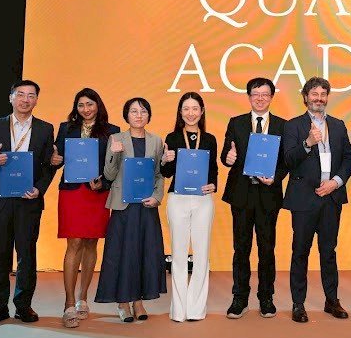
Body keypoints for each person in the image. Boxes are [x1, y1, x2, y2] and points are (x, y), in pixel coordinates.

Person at [282, 77, 351, 323]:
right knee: (300, 252)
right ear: (305, 97)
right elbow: (288, 159)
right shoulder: (293, 126)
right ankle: (298, 304)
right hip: (304, 198)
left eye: (323, 94)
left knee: (328, 252)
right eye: (314, 94)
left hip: (331, 197)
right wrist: (308, 143)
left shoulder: (338, 125)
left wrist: (336, 182)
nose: (319, 99)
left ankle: (332, 300)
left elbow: (348, 159)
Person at [50, 88, 119, 328]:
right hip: (72, 193)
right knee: (74, 242)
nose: (86, 109)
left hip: (97, 194)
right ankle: (69, 304)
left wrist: (104, 183)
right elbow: (56, 159)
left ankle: (83, 298)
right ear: (76, 107)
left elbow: (115, 165)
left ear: (98, 105)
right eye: (81, 105)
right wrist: (54, 160)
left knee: (91, 242)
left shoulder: (112, 131)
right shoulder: (65, 128)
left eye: (90, 104)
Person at [95, 97, 166, 322]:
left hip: (146, 206)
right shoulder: (116, 138)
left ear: (149, 115)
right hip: (123, 205)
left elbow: (159, 174)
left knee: (144, 253)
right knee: (122, 253)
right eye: (134, 111)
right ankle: (123, 302)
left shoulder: (156, 141)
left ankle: (138, 302)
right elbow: (109, 175)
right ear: (126, 115)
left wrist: (157, 197)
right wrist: (114, 153)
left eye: (143, 111)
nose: (138, 115)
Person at [220, 78, 287, 319]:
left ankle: (266, 298)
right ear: (249, 96)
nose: (260, 98)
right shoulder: (236, 122)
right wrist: (228, 158)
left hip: (268, 194)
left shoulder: (282, 125)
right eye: (255, 94)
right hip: (242, 194)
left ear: (271, 97)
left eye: (265, 94)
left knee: (267, 249)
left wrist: (275, 177)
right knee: (241, 248)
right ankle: (239, 297)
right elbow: (226, 155)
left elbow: (286, 161)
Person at [0, 80, 55, 326]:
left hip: (28, 201)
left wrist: (39, 189)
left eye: (31, 95)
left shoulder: (45, 129)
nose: (25, 100)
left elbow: (49, 165)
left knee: (27, 255)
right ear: (11, 98)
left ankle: (23, 306)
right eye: (20, 94)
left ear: (36, 100)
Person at [160, 92, 217, 322]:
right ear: (180, 112)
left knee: (202, 254)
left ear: (202, 111)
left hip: (203, 200)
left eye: (195, 108)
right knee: (179, 254)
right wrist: (165, 160)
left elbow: (213, 169)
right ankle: (179, 309)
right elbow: (166, 173)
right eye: (186, 109)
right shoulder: (172, 137)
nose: (191, 113)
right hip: (178, 199)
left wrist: (213, 184)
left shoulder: (210, 139)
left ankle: (196, 308)